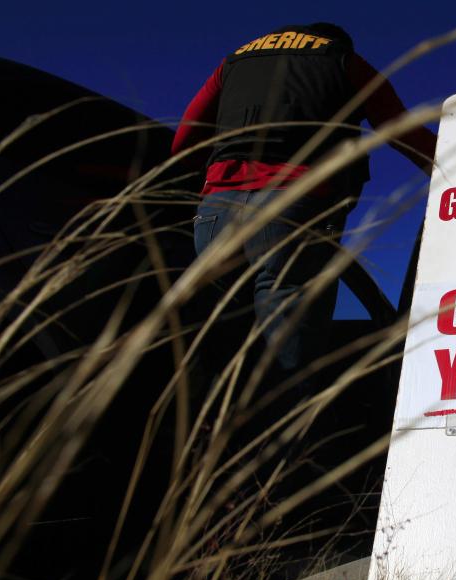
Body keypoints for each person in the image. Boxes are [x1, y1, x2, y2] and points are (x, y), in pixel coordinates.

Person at [172, 22, 437, 375]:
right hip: (293, 204)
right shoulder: (342, 60)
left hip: (217, 209)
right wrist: (450, 169)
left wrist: (209, 185)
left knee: (219, 327)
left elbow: (184, 140)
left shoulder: (233, 63)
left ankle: (205, 423)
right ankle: (291, 421)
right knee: (289, 336)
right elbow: (400, 130)